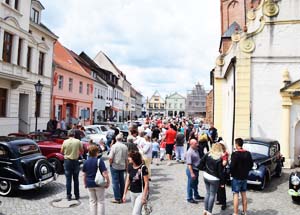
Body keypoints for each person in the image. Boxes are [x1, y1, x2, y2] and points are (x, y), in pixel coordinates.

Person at [83, 145, 110, 215]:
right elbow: (105, 173)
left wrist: (85, 183)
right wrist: (108, 182)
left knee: (92, 201)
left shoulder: (86, 162)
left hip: (89, 183)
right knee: (100, 201)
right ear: (96, 152)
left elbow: (84, 175)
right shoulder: (99, 161)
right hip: (99, 183)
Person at [198, 143, 224, 215]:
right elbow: (220, 172)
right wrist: (222, 183)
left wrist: (204, 169)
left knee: (207, 193)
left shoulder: (208, 154)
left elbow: (200, 163)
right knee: (212, 195)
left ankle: (205, 210)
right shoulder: (219, 158)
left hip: (206, 175)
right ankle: (209, 212)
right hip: (214, 178)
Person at [230, 138, 253, 215]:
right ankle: (245, 212)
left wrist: (231, 173)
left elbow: (232, 166)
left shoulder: (235, 154)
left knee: (236, 194)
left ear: (236, 144)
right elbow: (251, 165)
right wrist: (246, 171)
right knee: (244, 194)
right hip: (244, 176)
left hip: (236, 177)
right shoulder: (248, 153)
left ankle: (235, 213)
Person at [61, 129, 83, 200]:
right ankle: (77, 195)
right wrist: (77, 153)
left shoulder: (65, 141)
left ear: (68, 135)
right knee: (76, 179)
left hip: (67, 161)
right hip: (75, 161)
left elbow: (61, 151)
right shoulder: (78, 141)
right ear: (74, 134)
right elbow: (82, 151)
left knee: (68, 179)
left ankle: (68, 195)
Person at [109, 133, 128, 203]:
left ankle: (117, 198)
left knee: (115, 182)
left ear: (116, 139)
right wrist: (126, 167)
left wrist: (110, 164)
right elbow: (126, 159)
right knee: (122, 181)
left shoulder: (114, 146)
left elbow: (110, 157)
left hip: (115, 165)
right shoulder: (125, 146)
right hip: (122, 166)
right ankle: (122, 196)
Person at [185, 139, 204, 204]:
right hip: (192, 170)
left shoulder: (195, 149)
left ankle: (196, 195)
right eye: (196, 143)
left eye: (197, 143)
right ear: (191, 144)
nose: (197, 144)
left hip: (196, 169)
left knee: (195, 183)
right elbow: (189, 164)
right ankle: (189, 198)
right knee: (190, 184)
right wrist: (192, 173)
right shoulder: (189, 152)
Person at [216, 141, 229, 210]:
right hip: (218, 172)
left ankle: (224, 203)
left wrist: (220, 159)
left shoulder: (225, 154)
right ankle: (219, 199)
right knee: (218, 187)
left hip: (222, 173)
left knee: (222, 187)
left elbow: (224, 163)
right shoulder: (218, 153)